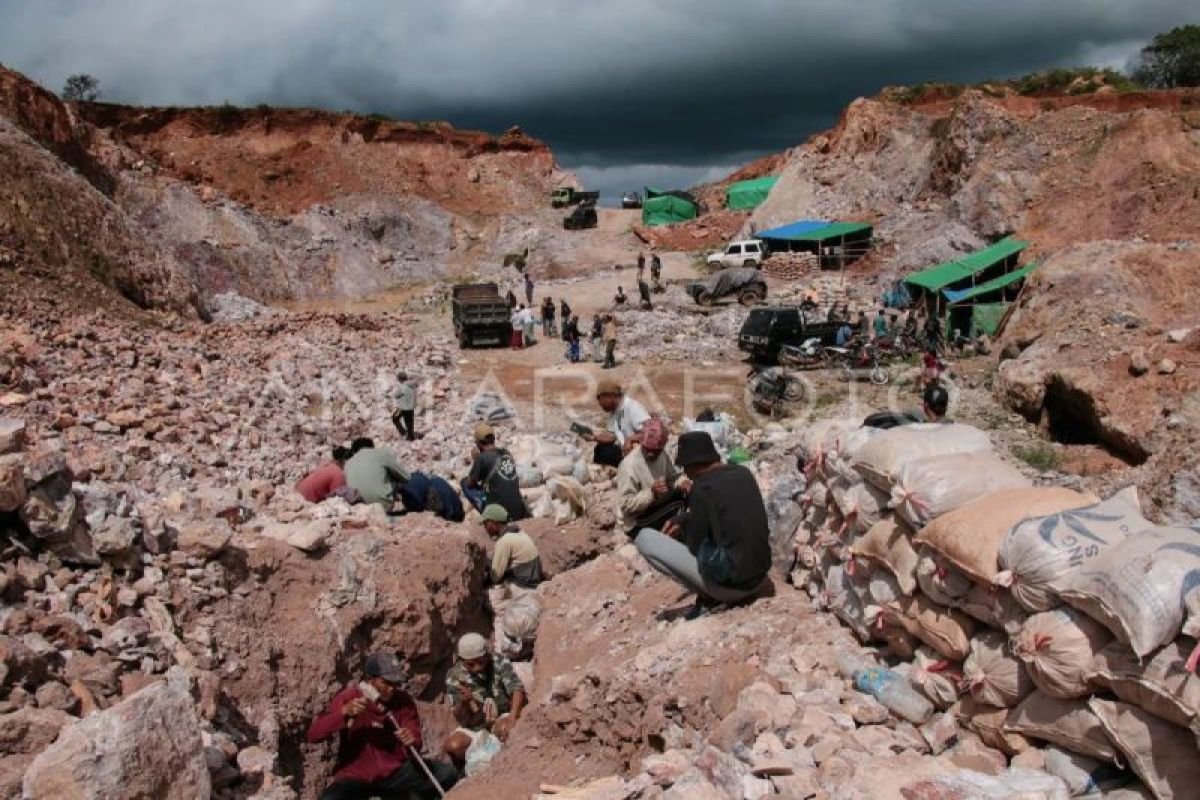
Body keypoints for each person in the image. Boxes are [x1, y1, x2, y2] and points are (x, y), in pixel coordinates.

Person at [634, 431, 770, 619]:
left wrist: (684, 529)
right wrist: (687, 517)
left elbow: (696, 547)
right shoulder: (743, 473)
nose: (686, 474)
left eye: (685, 467)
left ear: (693, 464)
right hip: (761, 577)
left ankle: (711, 597)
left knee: (644, 538)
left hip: (734, 589)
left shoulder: (700, 488)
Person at [308, 652, 459, 800]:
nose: (392, 688)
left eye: (395, 683)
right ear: (371, 680)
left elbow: (415, 738)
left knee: (447, 774)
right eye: (386, 682)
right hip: (356, 775)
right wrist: (343, 713)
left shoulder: (403, 701)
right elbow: (314, 735)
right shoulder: (350, 697)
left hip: (394, 772)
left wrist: (411, 739)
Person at [442, 634, 527, 770]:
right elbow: (459, 716)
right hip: (475, 726)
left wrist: (513, 716)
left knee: (507, 729)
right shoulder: (454, 676)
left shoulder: (498, 661)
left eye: (481, 662)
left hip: (501, 716)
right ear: (462, 660)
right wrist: (464, 703)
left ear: (486, 655)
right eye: (471, 664)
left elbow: (516, 688)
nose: (477, 668)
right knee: (454, 746)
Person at [615, 418, 689, 537]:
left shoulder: (662, 455)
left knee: (687, 494)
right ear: (641, 443)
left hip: (655, 506)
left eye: (656, 451)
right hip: (636, 521)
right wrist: (651, 493)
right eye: (647, 449)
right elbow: (626, 505)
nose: (651, 454)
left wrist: (683, 482)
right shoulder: (629, 465)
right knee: (681, 504)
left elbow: (673, 477)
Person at [462, 424, 529, 521]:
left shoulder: (482, 458)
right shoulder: (506, 453)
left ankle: (488, 514)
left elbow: (470, 483)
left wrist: (476, 459)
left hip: (501, 515)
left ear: (478, 444)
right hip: (518, 512)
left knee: (464, 483)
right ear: (493, 439)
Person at [583, 379, 649, 467]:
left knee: (605, 452)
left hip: (640, 454)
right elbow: (612, 436)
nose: (599, 403)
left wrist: (631, 439)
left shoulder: (632, 407)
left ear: (610, 396)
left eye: (600, 399)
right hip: (625, 451)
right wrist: (594, 437)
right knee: (600, 449)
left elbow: (650, 432)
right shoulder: (613, 412)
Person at [480, 504, 543, 587]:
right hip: (533, 576)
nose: (485, 528)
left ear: (495, 523)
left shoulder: (504, 541)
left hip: (525, 584)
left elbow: (495, 577)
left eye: (486, 524)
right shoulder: (519, 532)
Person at [344, 442, 410, 508]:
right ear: (372, 447)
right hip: (382, 504)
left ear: (354, 451)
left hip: (357, 506)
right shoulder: (381, 454)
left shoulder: (348, 463)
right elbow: (406, 477)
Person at [398, 472, 465, 522]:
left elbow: (417, 508)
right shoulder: (414, 477)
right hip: (454, 507)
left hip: (452, 512)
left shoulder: (411, 490)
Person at [391, 371, 418, 442]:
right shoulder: (413, 386)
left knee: (394, 418)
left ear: (400, 379)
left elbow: (395, 395)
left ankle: (403, 433)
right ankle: (410, 437)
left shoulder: (402, 387)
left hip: (403, 408)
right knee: (409, 422)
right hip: (411, 407)